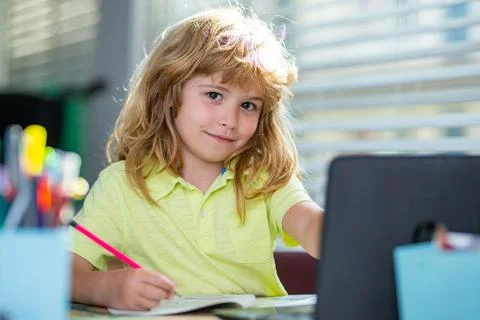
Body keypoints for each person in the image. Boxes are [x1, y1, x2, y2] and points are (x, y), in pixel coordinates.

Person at [70, 6, 324, 311]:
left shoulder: (264, 179)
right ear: (168, 94)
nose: (230, 119)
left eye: (248, 105)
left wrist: (345, 232)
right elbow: (66, 273)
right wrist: (107, 289)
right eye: (214, 95)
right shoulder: (121, 185)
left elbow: (309, 224)